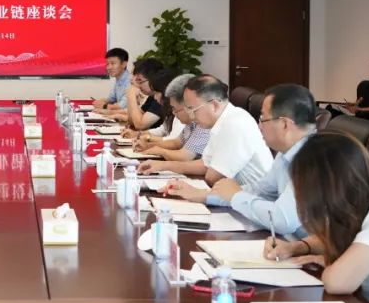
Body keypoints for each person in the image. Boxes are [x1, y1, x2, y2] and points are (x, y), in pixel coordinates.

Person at [262, 131, 369, 303]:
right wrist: (297, 247)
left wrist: (333, 264)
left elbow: (338, 283)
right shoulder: (358, 196)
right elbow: (338, 234)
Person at [197, 83, 317, 234]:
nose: (259, 126)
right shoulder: (286, 153)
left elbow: (282, 220)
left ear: (284, 124)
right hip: (286, 242)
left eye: (263, 119)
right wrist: (207, 196)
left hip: (304, 246)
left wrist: (236, 196)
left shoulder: (314, 159)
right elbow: (262, 191)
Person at [146, 74, 271, 189]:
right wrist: (163, 166)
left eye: (192, 109)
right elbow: (205, 164)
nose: (191, 116)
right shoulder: (220, 122)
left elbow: (213, 177)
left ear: (214, 105)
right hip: (236, 196)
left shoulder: (234, 124)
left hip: (253, 201)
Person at [132, 73, 212, 167]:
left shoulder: (204, 123)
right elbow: (175, 143)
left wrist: (161, 151)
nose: (173, 113)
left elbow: (185, 156)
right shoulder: (191, 122)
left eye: (175, 109)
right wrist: (148, 146)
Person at [119, 58, 165, 129]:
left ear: (152, 79)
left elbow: (139, 125)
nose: (132, 79)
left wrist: (131, 96)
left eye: (139, 80)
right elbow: (132, 121)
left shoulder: (160, 98)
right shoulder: (152, 96)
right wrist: (132, 98)